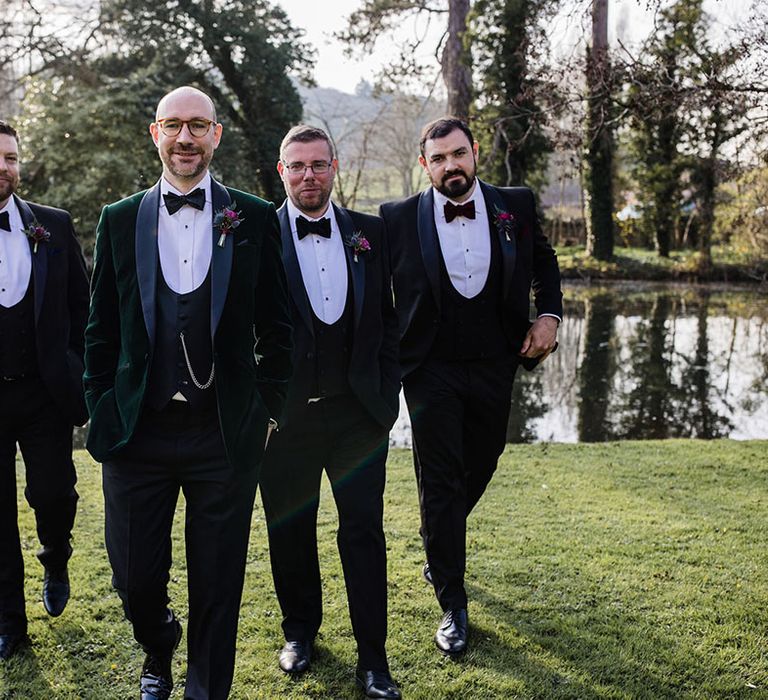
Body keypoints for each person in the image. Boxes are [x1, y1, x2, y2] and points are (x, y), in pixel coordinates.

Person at [83, 86, 293, 700]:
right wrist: (101, 407)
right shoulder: (118, 220)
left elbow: (279, 330)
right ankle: (158, 643)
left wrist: (268, 410)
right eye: (173, 126)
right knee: (134, 579)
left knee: (218, 583)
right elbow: (99, 332)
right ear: (155, 133)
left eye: (197, 126)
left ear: (216, 135)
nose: (185, 139)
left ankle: (205, 689)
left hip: (222, 435)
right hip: (137, 434)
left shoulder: (253, 218)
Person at [379, 117, 562, 657]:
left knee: (482, 460)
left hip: (494, 362)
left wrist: (548, 314)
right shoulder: (397, 218)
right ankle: (452, 603)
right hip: (428, 368)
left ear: (474, 152)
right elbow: (368, 285)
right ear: (424, 164)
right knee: (440, 478)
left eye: (458, 154)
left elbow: (544, 261)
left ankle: (438, 537)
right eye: (438, 159)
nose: (450, 166)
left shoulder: (516, 205)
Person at [259, 125, 401, 699]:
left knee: (363, 533)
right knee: (289, 529)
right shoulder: (256, 236)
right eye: (297, 166)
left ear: (334, 167)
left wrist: (384, 398)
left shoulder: (370, 233)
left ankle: (374, 660)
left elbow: (391, 322)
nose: (308, 176)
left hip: (357, 418)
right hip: (284, 420)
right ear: (281, 171)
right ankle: (300, 633)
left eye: (318, 165)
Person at [0, 120, 89, 661]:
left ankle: (55, 554)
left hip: (43, 394)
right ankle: (9, 621)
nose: (3, 167)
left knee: (53, 492)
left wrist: (75, 369)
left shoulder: (51, 226)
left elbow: (84, 309)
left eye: (10, 157)